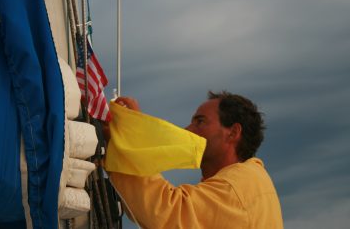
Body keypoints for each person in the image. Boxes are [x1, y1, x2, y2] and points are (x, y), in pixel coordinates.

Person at [108, 91, 283, 229]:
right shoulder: (251, 181)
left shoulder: (237, 186)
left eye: (200, 122)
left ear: (233, 132)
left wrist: (127, 136)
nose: (188, 129)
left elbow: (167, 215)